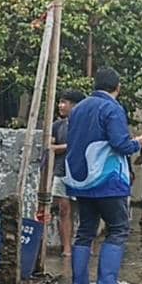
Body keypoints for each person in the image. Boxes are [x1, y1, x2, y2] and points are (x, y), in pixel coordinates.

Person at [64, 67, 142, 284]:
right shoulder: (112, 108)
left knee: (85, 231)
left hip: (81, 181)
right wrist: (136, 143)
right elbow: (120, 144)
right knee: (119, 229)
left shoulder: (78, 108)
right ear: (117, 88)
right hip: (108, 181)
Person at [49, 89, 87, 257]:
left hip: (82, 173)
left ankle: (85, 247)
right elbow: (50, 147)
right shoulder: (57, 126)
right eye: (60, 102)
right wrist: (69, 146)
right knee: (64, 209)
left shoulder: (86, 125)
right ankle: (67, 249)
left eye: (64, 102)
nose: (60, 105)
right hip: (61, 171)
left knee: (87, 210)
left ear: (74, 105)